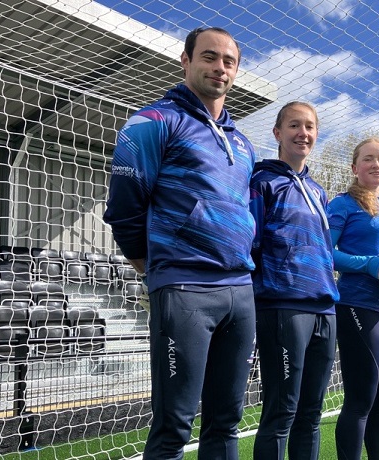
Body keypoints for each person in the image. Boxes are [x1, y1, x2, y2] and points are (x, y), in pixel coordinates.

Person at [103, 27, 257, 460]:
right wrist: (152, 266)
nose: (220, 67)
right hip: (185, 288)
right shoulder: (153, 122)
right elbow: (124, 206)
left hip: (240, 290)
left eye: (229, 61)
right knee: (174, 427)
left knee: (227, 422)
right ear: (185, 61)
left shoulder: (242, 142)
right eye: (209, 57)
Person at [249, 101, 339, 460]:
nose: (303, 133)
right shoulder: (262, 182)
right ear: (277, 133)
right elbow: (249, 243)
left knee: (311, 414)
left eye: (310, 126)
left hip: (325, 307)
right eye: (294, 126)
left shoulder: (317, 191)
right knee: (282, 410)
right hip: (283, 306)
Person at [326, 137, 379, 460]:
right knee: (361, 400)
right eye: (369, 159)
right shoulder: (343, 204)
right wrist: (370, 264)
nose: (377, 164)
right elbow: (327, 254)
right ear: (354, 167)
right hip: (359, 306)